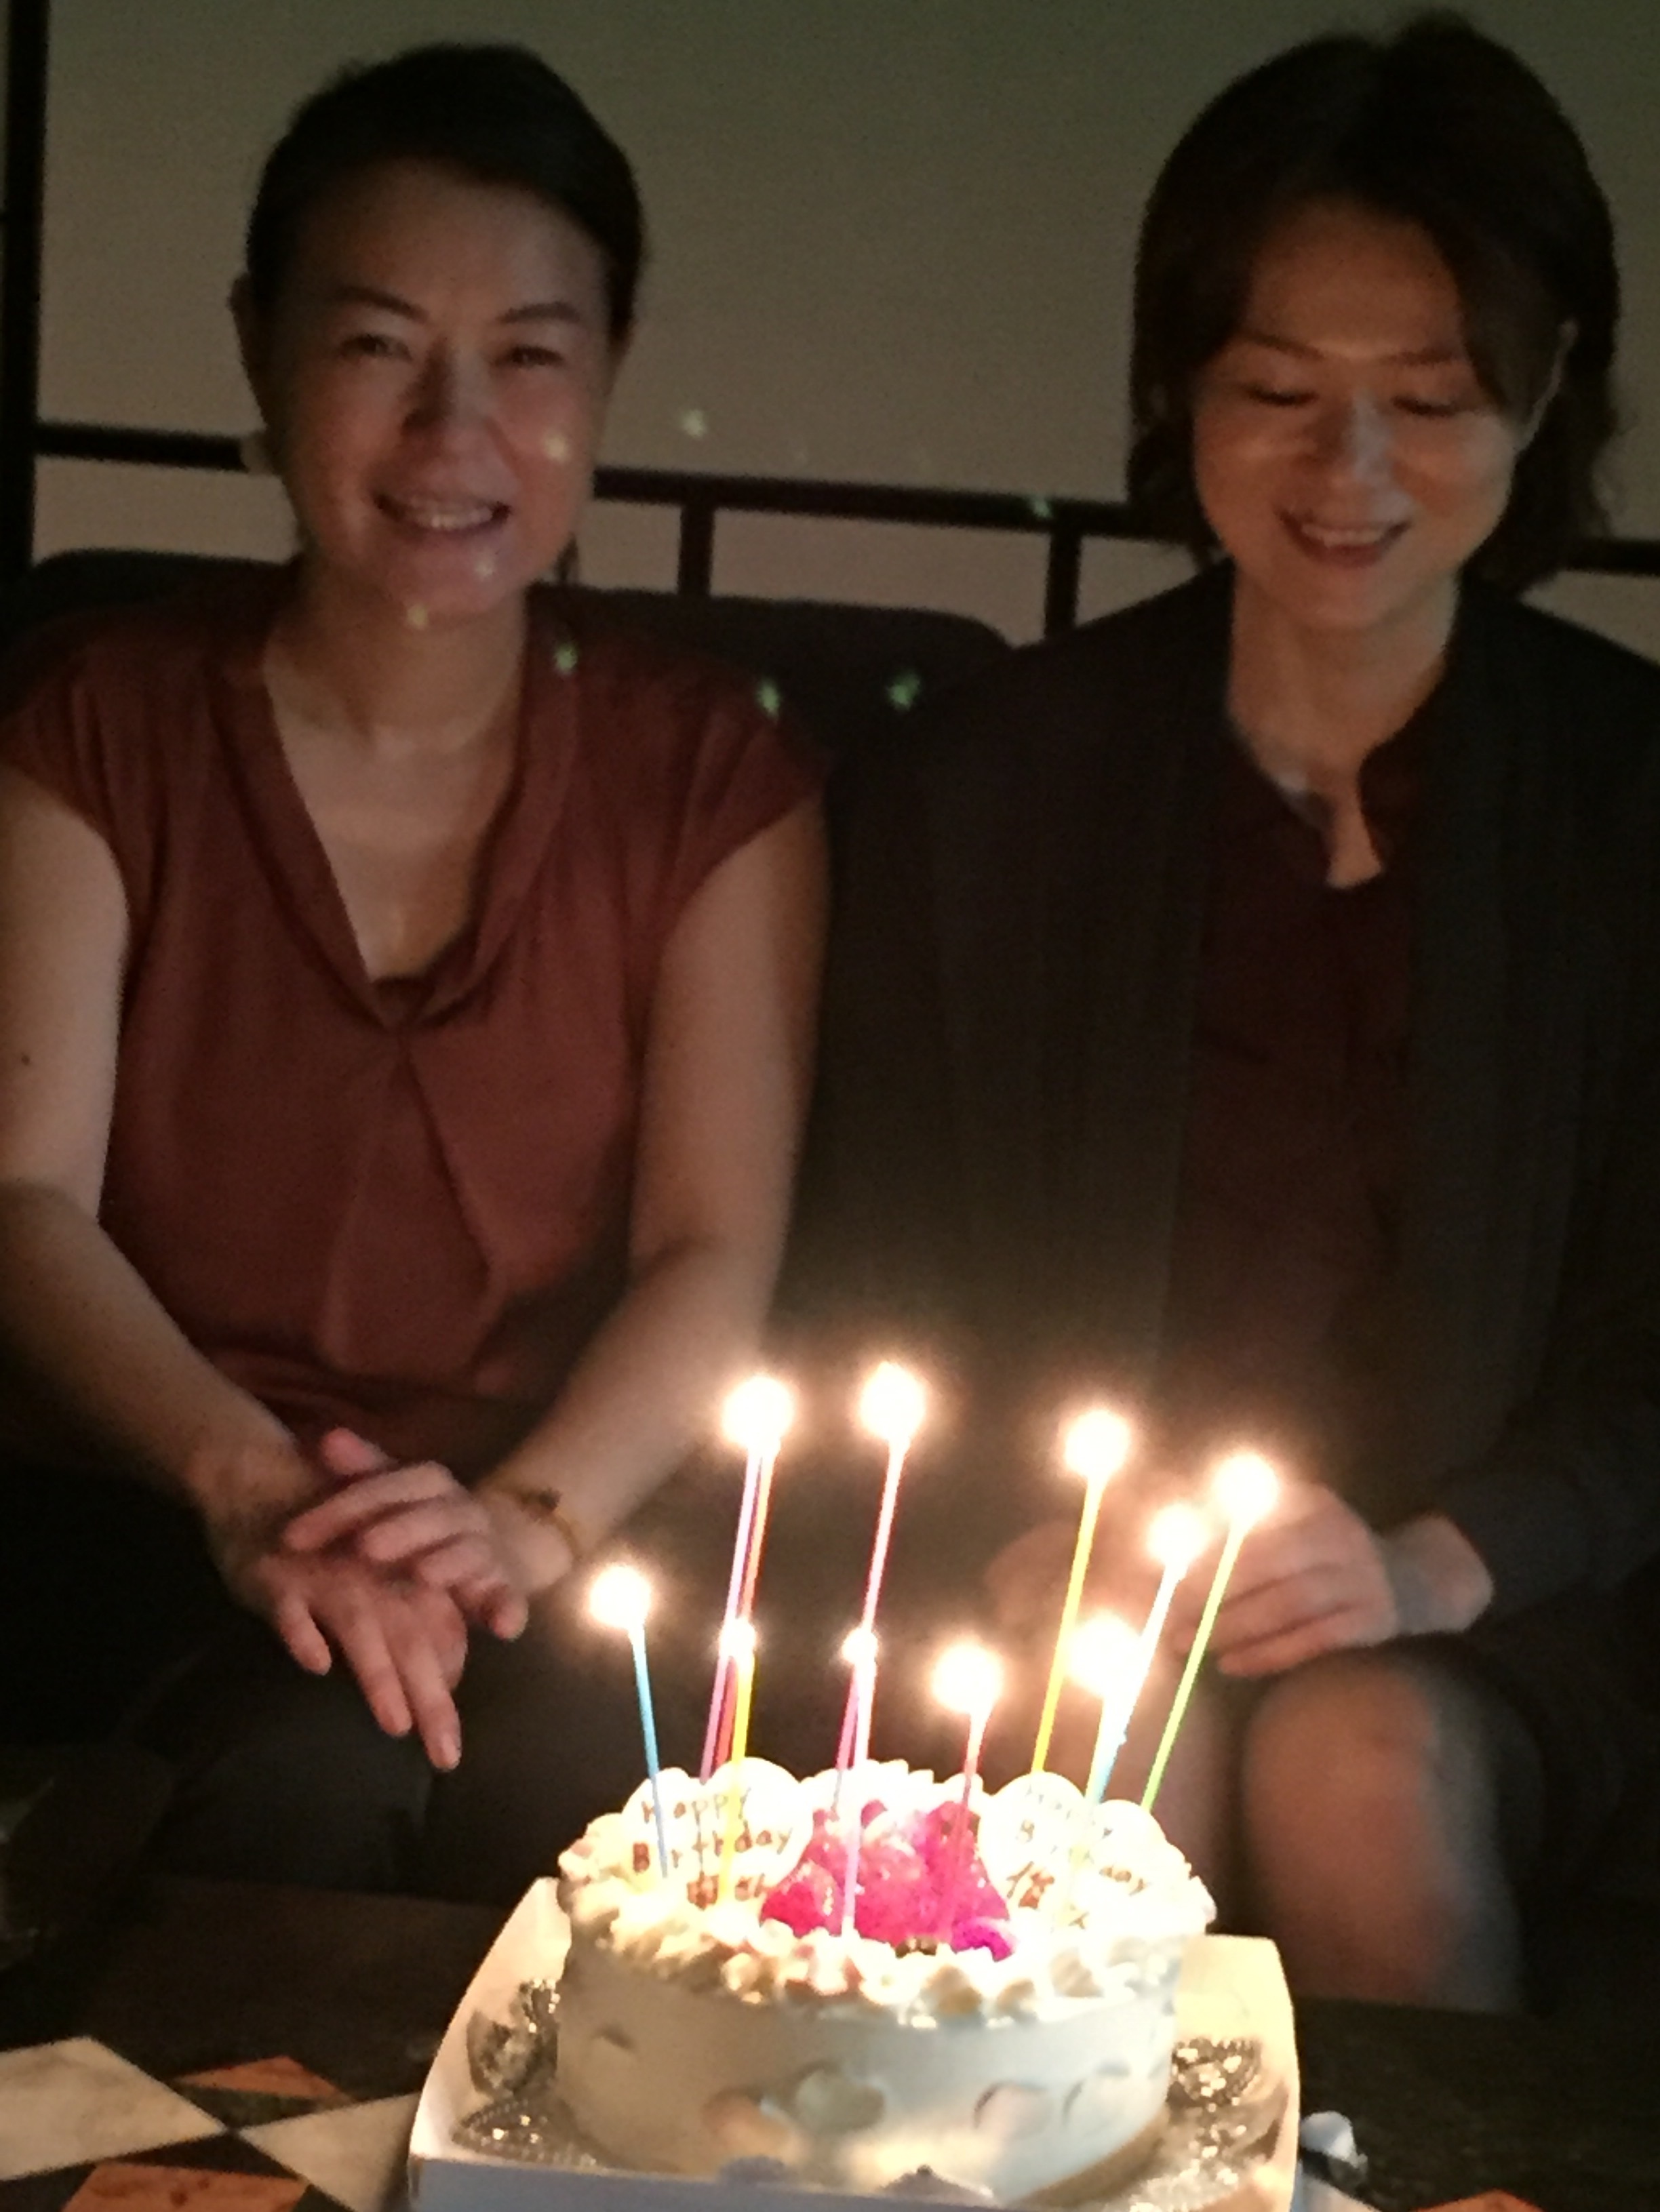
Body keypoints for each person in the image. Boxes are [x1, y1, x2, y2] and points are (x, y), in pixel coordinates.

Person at [802, 14, 1660, 2009]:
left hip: (1511, 1596)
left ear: (1544, 393)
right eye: (1277, 389)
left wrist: (1440, 1559)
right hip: (1071, 1565)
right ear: (1179, 387)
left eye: (1427, 399)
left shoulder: (1627, 802)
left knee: (1357, 1764)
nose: (1347, 470)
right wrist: (1022, 1530)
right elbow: (870, 1261)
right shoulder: (992, 783)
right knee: (1105, 1741)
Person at [0, 45, 825, 1899]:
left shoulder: (709, 777)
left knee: (601, 1822)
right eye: (378, 345)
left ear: (609, 368)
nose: (455, 431)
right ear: (260, 349)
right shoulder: (96, 723)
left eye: (528, 355)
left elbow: (716, 1245)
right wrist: (252, 1487)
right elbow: (23, 1198)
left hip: (555, 1512)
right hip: (152, 1506)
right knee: (294, 1777)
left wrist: (524, 1529)